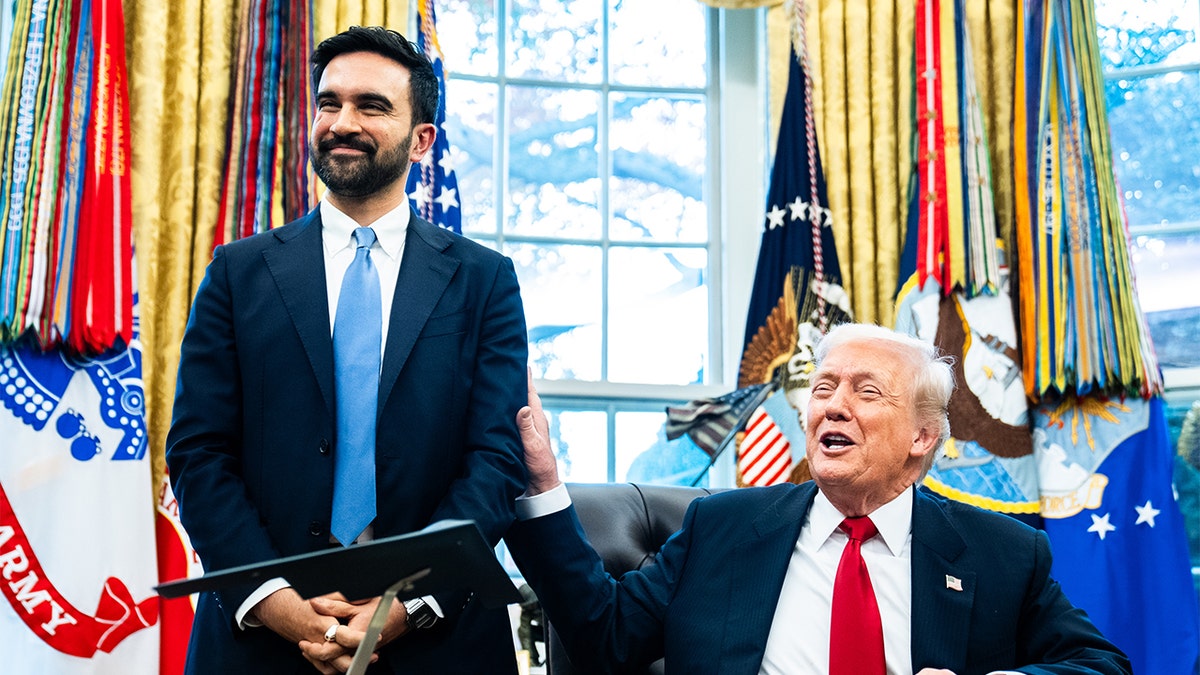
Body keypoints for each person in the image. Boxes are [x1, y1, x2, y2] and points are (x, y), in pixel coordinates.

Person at [166, 26, 528, 674]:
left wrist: (407, 604)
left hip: (437, 645)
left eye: (371, 106)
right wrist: (276, 601)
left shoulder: (485, 281)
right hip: (259, 647)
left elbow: (496, 461)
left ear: (422, 140)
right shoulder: (235, 274)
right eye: (329, 103)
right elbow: (198, 453)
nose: (342, 123)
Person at [506, 323, 1131, 675]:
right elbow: (604, 635)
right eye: (824, 388)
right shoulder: (720, 528)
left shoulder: (1002, 552)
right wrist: (541, 484)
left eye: (866, 392)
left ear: (922, 436)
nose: (833, 405)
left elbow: (1100, 664)